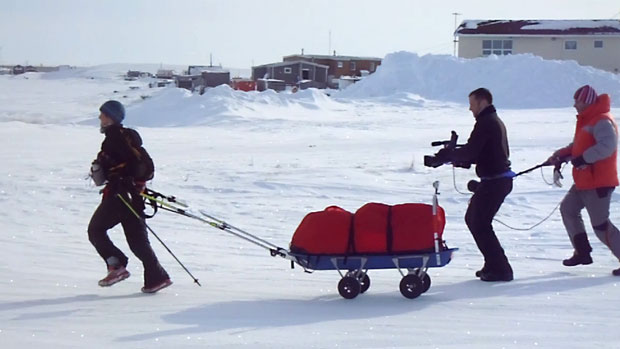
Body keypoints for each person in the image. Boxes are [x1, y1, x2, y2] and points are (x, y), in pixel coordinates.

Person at [88, 100, 172, 293]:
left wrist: (114, 173)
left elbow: (131, 163)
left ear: (110, 117)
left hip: (120, 194)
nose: (100, 118)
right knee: (138, 242)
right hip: (132, 195)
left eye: (103, 114)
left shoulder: (114, 137)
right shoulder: (127, 137)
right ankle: (156, 277)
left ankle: (116, 266)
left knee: (96, 230)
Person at [437, 88, 514, 281]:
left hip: (496, 181)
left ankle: (501, 269)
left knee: (478, 223)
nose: (470, 109)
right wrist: (455, 158)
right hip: (495, 180)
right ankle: (493, 264)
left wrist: (448, 154)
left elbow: (471, 152)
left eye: (472, 104)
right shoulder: (490, 121)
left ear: (482, 102)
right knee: (475, 220)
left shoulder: (487, 123)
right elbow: (478, 152)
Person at [547, 85, 620, 276]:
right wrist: (561, 155)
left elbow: (608, 146)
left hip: (599, 182)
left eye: (577, 101)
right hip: (583, 180)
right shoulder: (587, 120)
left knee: (600, 225)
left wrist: (583, 158)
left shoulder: (602, 121)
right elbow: (578, 146)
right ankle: (582, 252)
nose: (574, 105)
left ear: (586, 101)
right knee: (568, 209)